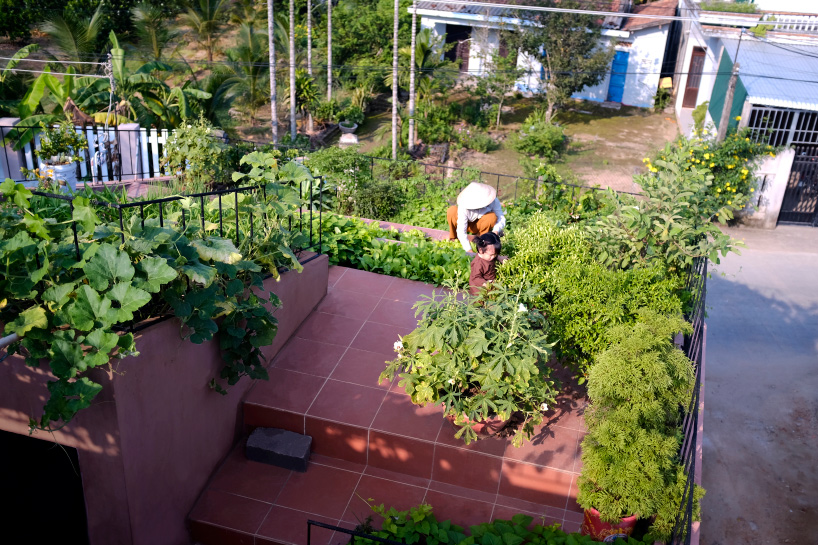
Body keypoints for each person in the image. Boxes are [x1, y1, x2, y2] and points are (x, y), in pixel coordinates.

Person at [447, 182, 506, 253]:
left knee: (491, 217)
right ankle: (454, 238)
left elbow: (501, 218)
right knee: (452, 210)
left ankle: (482, 240)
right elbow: (461, 230)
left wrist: (496, 230)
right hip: (467, 224)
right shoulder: (464, 206)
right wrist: (469, 250)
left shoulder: (493, 201)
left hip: (480, 225)